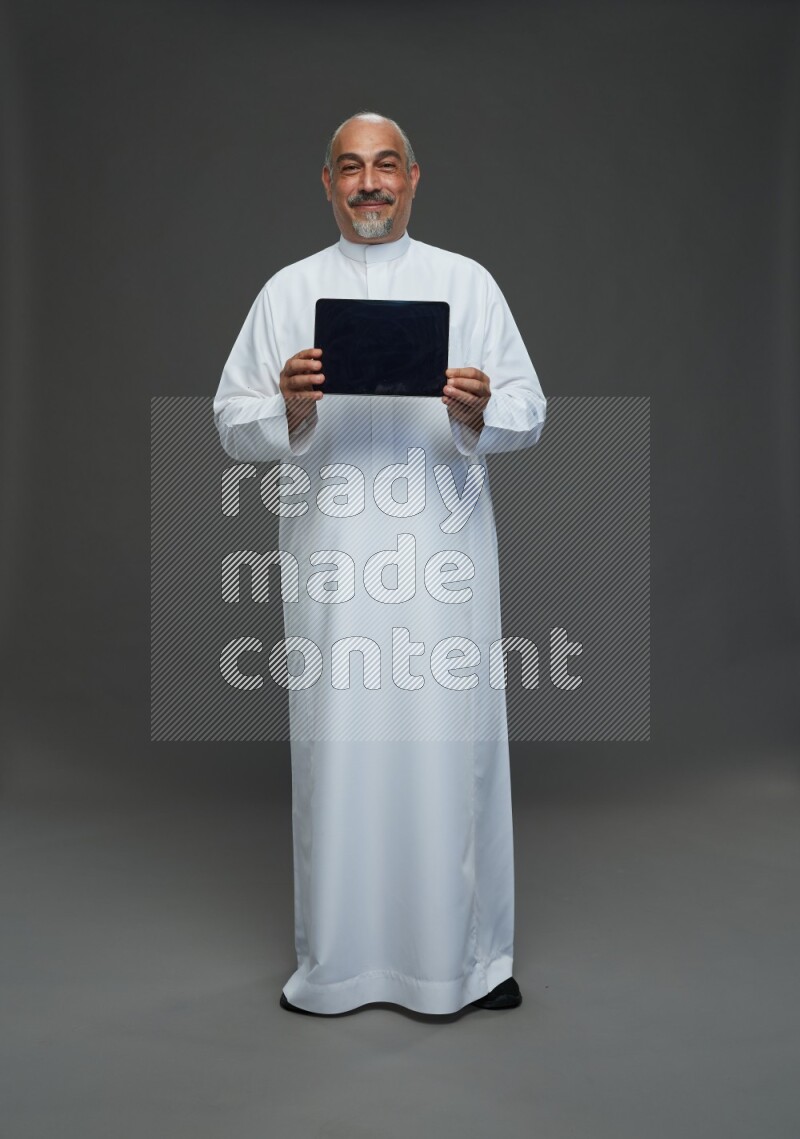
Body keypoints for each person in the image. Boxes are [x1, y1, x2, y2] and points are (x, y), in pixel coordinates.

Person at [213, 112, 546, 1016]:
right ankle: (338, 963)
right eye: (351, 168)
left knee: (454, 752)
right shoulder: (289, 291)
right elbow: (229, 422)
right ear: (326, 182)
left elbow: (530, 406)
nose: (369, 182)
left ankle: (470, 962)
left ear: (414, 178)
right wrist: (284, 403)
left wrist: (479, 408)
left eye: (386, 166)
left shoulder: (466, 284)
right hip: (332, 570)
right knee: (341, 756)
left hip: (443, 566)